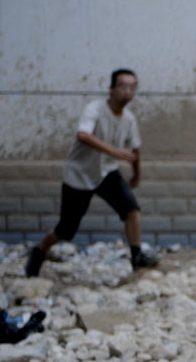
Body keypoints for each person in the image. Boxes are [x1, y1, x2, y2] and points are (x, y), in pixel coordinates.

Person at [25, 68, 158, 277]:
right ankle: (39, 252)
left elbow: (135, 149)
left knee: (132, 210)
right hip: (80, 175)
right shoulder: (95, 109)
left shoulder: (129, 119)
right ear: (111, 88)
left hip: (107, 173)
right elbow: (83, 135)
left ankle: (137, 257)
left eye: (132, 87)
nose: (127, 91)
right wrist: (114, 151)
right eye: (123, 86)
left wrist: (137, 174)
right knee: (65, 230)